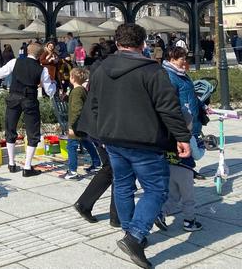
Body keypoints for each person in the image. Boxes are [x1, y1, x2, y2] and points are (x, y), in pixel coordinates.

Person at [77, 24, 192, 268]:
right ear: (143, 44)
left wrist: (100, 135)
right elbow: (168, 107)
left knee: (123, 185)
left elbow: (94, 105)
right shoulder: (152, 70)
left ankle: (131, 233)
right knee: (156, 189)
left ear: (118, 43)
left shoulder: (101, 69)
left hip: (112, 139)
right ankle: (136, 235)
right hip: (144, 141)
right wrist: (182, 137)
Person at [155, 46, 204, 233]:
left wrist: (200, 106)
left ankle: (161, 212)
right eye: (180, 58)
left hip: (186, 127)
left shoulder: (181, 74)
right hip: (181, 129)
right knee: (185, 191)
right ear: (170, 58)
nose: (184, 61)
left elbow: (189, 96)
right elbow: (170, 105)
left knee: (174, 191)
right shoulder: (169, 76)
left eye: (185, 57)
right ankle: (188, 220)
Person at [0, 42, 56, 176]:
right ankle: (27, 167)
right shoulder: (41, 69)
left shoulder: (15, 62)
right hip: (30, 100)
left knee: (10, 129)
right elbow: (49, 91)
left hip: (14, 97)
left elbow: (0, 74)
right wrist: (54, 86)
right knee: (32, 133)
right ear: (40, 55)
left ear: (27, 51)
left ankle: (11, 163)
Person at [73, 40, 120, 227]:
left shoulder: (97, 67)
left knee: (111, 167)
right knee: (117, 168)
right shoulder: (109, 69)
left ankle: (85, 204)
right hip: (103, 127)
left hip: (95, 126)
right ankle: (116, 216)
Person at [65, 67, 100, 179]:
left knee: (71, 146)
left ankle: (72, 171)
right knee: (87, 143)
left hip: (76, 125)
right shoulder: (83, 90)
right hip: (83, 124)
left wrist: (72, 126)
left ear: (72, 78)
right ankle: (96, 164)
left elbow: (77, 110)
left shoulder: (76, 91)